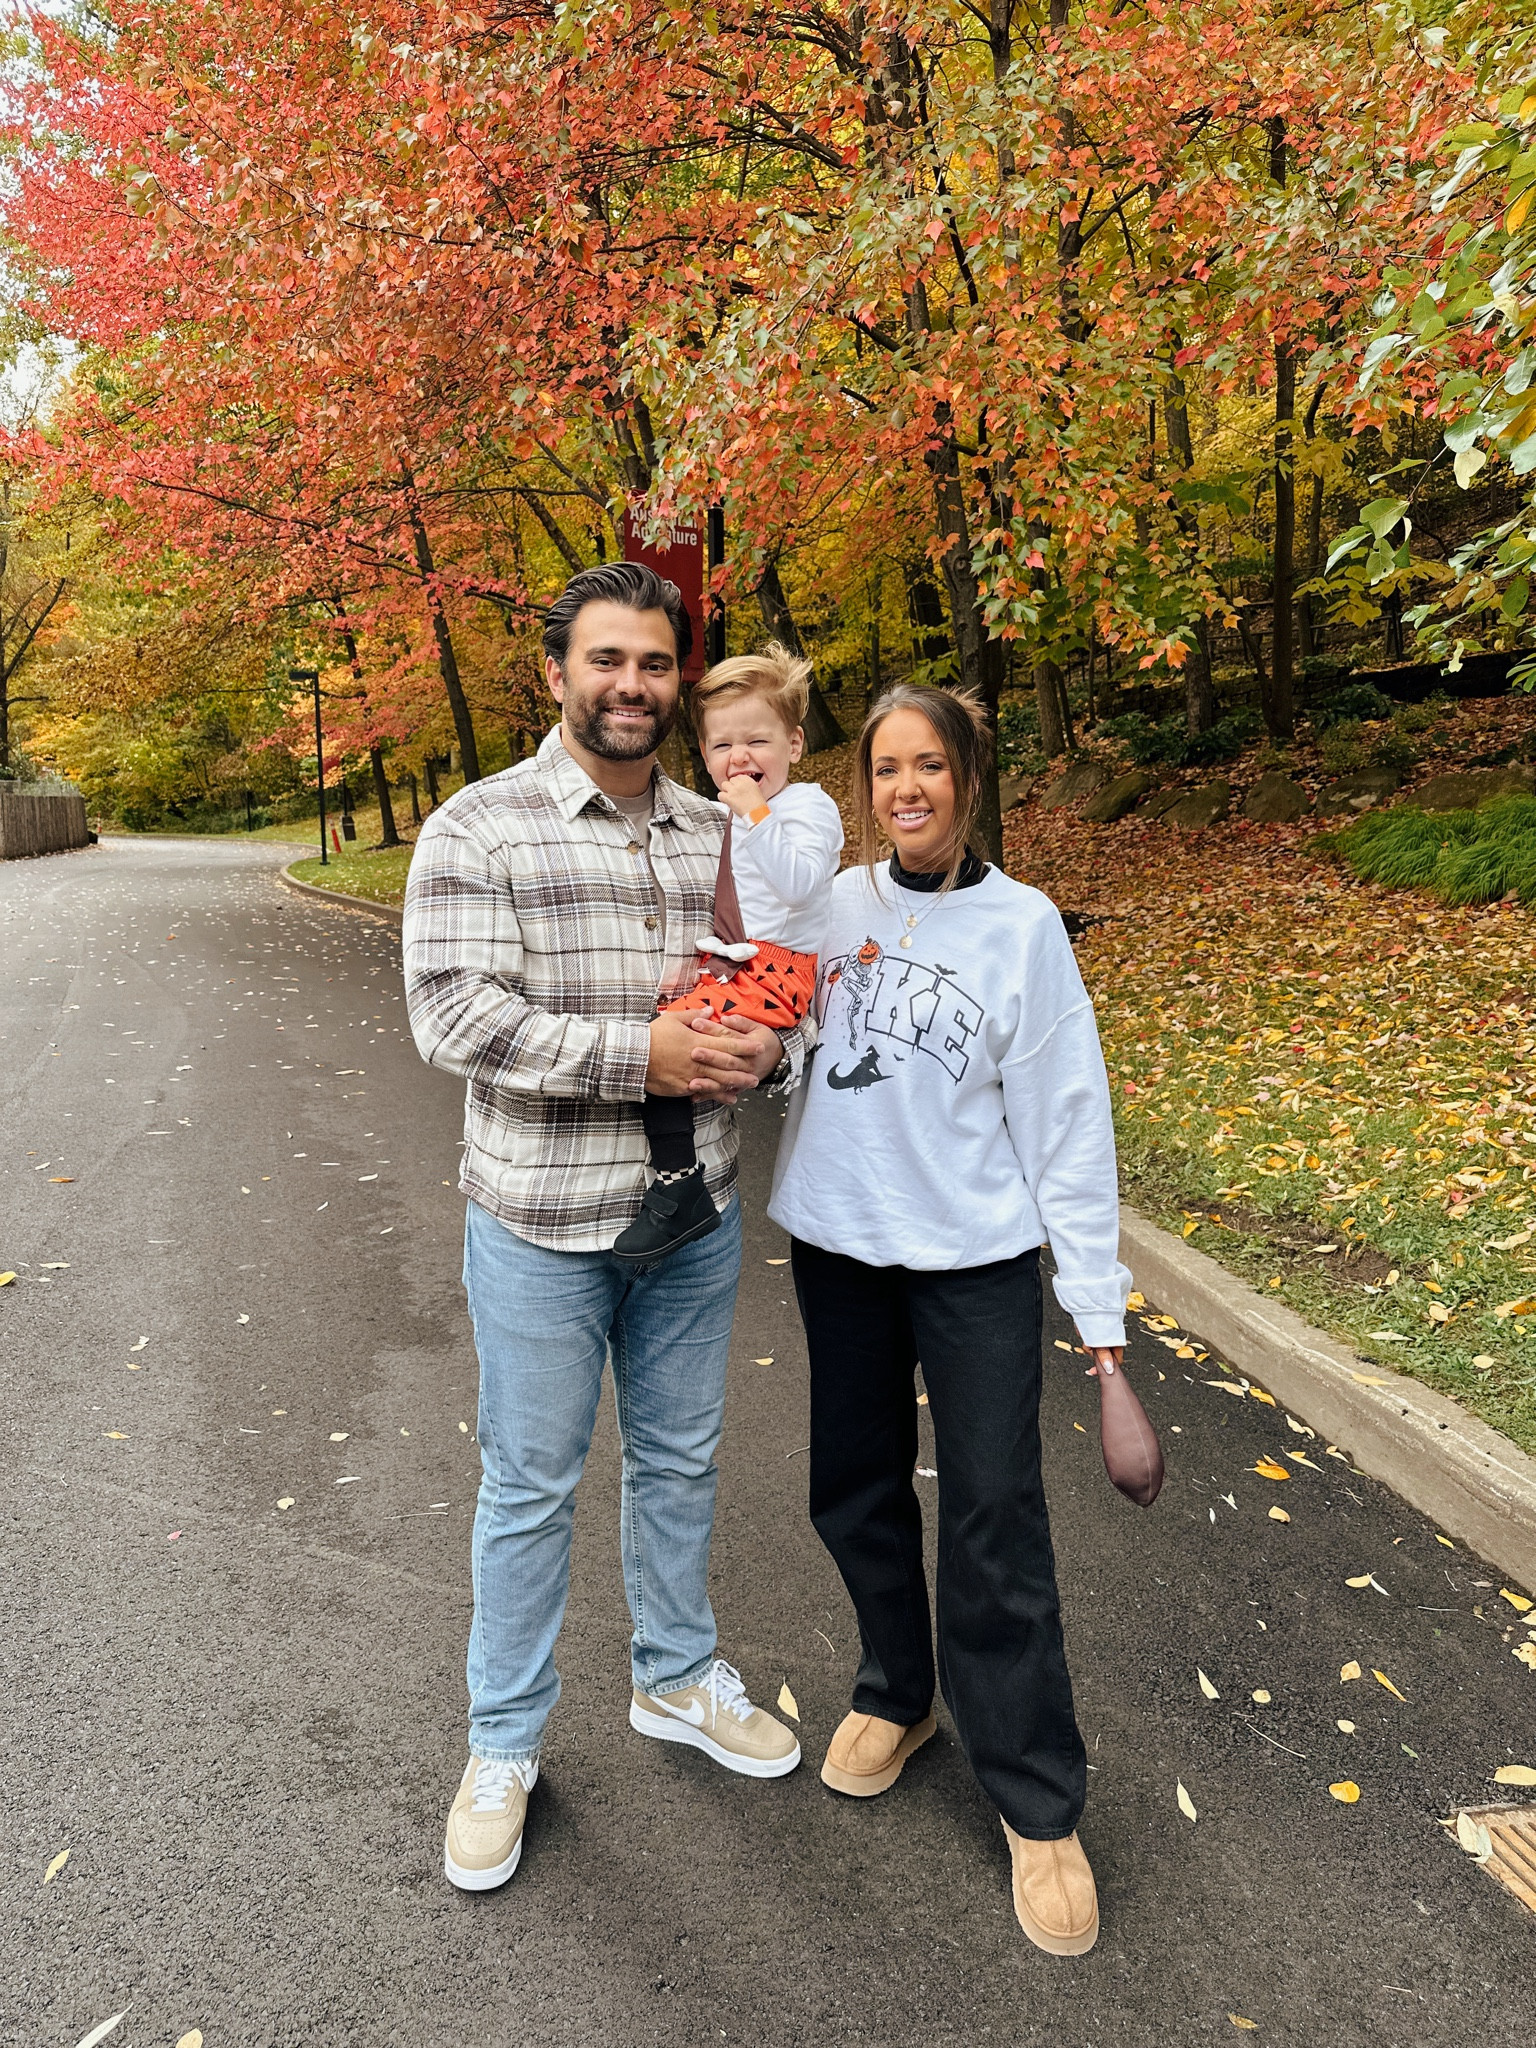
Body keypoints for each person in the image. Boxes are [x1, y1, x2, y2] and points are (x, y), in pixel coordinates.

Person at [403, 562, 807, 1896]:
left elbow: (770, 1000)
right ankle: (504, 1744)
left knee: (682, 1460)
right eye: (607, 661)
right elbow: (455, 1018)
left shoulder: (716, 834)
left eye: (653, 663)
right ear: (557, 673)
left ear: (680, 678)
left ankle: (676, 1678)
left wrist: (767, 1053)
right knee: (530, 1487)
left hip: (691, 1222)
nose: (630, 685)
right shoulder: (479, 828)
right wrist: (648, 1055)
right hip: (539, 1224)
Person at [767, 683, 1135, 1957]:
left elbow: (1068, 1130)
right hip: (842, 1248)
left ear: (969, 780)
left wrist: (1102, 1320)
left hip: (974, 1263)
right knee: (855, 1487)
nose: (906, 787)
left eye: (930, 765)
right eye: (885, 768)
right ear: (864, 785)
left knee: (995, 1513)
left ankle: (1036, 1799)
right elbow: (748, 952)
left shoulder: (1025, 927)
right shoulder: (829, 906)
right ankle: (897, 1691)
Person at [614, 642, 844, 1264]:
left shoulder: (806, 808)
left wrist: (756, 813)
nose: (740, 758)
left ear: (794, 744)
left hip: (777, 969)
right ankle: (679, 1181)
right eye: (722, 746)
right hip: (741, 962)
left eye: (757, 741)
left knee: (667, 1049)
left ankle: (677, 1188)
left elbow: (799, 884)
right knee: (656, 1045)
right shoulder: (721, 815)